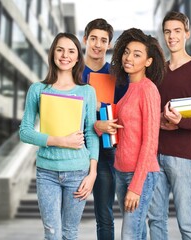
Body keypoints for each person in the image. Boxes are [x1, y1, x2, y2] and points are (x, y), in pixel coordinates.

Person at [19, 32, 99, 240]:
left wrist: (92, 174)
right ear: (53, 53)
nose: (65, 55)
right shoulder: (37, 89)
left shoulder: (87, 91)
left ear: (77, 57)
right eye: (60, 49)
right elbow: (25, 132)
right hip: (46, 173)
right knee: (52, 234)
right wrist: (60, 141)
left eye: (71, 51)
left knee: (70, 233)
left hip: (78, 173)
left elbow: (91, 133)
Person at [147, 11, 191, 240]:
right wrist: (159, 120)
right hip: (155, 155)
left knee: (187, 224)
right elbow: (150, 111)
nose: (172, 36)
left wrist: (181, 122)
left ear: (187, 33)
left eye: (177, 31)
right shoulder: (157, 72)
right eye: (167, 32)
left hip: (184, 159)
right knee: (155, 220)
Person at [109, 28, 166, 239]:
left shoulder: (148, 90)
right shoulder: (127, 91)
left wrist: (136, 186)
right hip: (120, 171)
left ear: (148, 62)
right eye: (126, 52)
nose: (128, 57)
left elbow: (150, 142)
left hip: (139, 174)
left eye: (137, 54)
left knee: (129, 235)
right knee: (138, 233)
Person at [82, 18, 128, 240]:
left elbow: (124, 113)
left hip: (105, 152)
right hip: (74, 149)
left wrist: (102, 109)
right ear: (85, 39)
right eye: (93, 39)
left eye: (103, 40)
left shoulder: (117, 77)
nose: (98, 45)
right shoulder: (71, 70)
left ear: (109, 44)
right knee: (65, 218)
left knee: (104, 215)